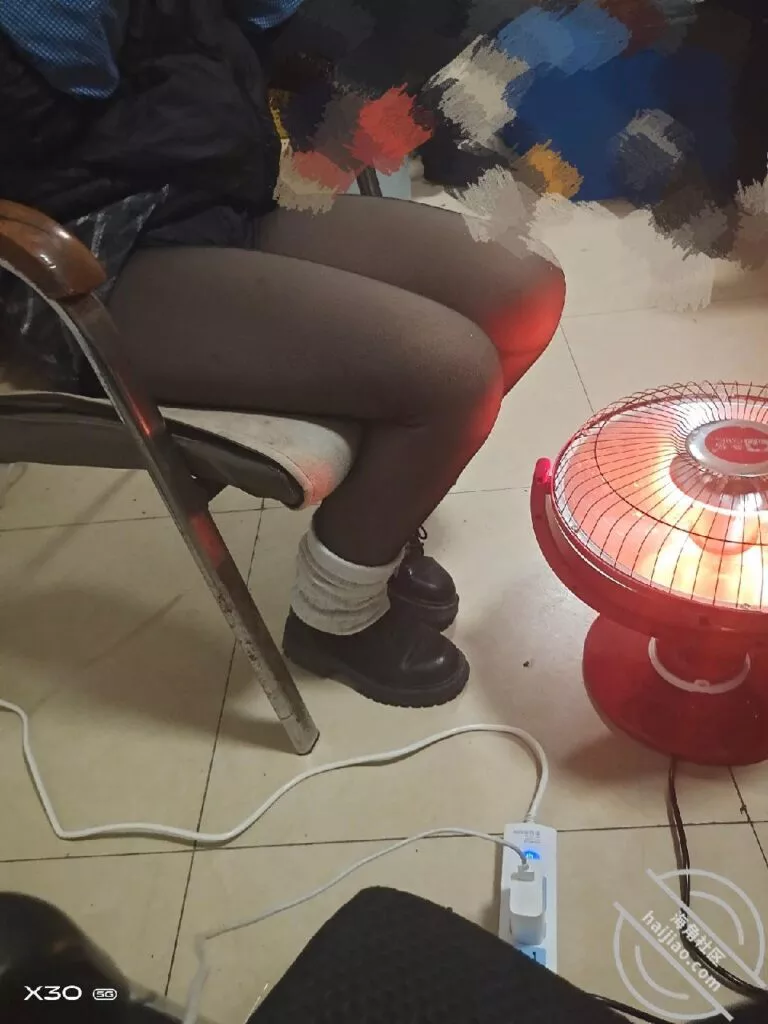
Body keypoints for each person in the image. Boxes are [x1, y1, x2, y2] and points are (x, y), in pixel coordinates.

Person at [0, 0, 565, 709]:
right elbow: (76, 70)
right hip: (85, 262)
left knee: (523, 291)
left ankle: (374, 524)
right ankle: (336, 620)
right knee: (454, 373)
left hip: (206, 199)